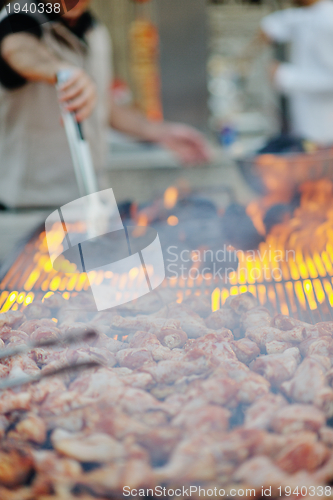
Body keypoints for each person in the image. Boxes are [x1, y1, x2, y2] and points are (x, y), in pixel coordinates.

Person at [0, 0, 211, 208]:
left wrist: (158, 132)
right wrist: (62, 72)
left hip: (91, 201)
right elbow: (18, 49)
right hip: (30, 206)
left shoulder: (95, 29)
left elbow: (104, 105)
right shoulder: (20, 15)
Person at [261, 0, 333, 145]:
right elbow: (291, 20)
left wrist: (285, 77)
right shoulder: (311, 14)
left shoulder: (328, 22)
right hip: (309, 132)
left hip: (325, 134)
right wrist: (271, 26)